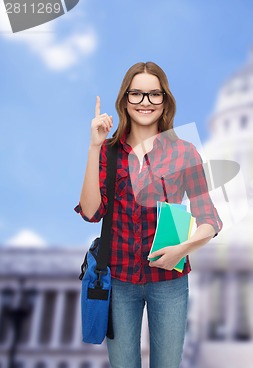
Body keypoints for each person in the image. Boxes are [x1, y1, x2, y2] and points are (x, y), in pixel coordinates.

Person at [75, 61, 222, 368]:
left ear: (164, 100)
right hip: (119, 281)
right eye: (137, 94)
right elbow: (91, 212)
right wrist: (93, 147)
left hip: (169, 281)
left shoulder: (184, 152)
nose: (145, 102)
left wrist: (182, 249)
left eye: (154, 94)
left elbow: (209, 218)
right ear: (124, 100)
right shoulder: (108, 151)